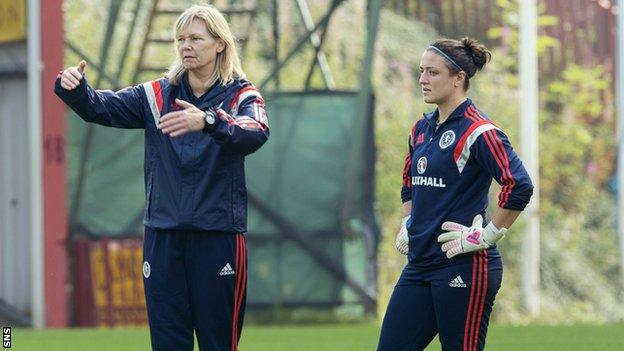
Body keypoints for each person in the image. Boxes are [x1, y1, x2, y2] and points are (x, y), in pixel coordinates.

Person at [55, 5, 269, 351]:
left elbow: (256, 131)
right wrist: (75, 88)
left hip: (218, 238)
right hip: (163, 238)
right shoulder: (156, 95)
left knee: (219, 345)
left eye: (196, 38)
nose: (186, 45)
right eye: (180, 39)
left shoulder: (241, 95)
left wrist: (209, 121)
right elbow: (99, 106)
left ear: (219, 44)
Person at [378, 37, 533, 351]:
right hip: (419, 265)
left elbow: (519, 184)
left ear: (458, 78)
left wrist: (488, 236)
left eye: (432, 73)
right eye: (421, 71)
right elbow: (409, 181)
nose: (422, 79)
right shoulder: (420, 129)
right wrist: (409, 223)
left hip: (464, 265)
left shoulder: (481, 132)